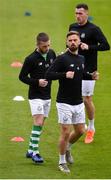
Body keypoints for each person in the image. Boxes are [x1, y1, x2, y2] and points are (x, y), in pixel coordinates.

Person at [45, 31, 99, 173]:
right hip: (64, 102)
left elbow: (80, 73)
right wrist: (64, 74)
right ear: (67, 42)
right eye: (70, 40)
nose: (73, 42)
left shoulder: (81, 58)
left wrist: (91, 75)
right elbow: (48, 74)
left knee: (81, 130)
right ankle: (62, 162)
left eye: (75, 40)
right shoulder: (62, 59)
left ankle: (68, 147)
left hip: (78, 102)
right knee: (65, 131)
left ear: (79, 42)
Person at [69, 3, 110, 144]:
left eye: (80, 13)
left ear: (87, 14)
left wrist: (90, 47)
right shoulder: (72, 27)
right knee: (75, 97)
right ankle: (82, 126)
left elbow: (106, 46)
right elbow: (69, 44)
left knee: (87, 99)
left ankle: (91, 127)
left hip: (89, 69)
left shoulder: (94, 29)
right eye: (76, 13)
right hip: (74, 67)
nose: (78, 16)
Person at [19, 32, 56, 163]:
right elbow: (22, 77)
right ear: (38, 45)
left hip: (47, 95)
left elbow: (54, 71)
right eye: (45, 46)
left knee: (40, 125)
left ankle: (30, 149)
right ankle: (35, 153)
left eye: (49, 45)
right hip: (35, 96)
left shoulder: (52, 54)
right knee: (38, 122)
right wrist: (37, 82)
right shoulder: (30, 59)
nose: (47, 48)